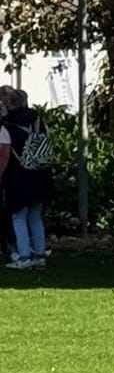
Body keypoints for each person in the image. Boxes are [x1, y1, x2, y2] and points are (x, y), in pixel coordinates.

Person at [1, 86, 50, 268]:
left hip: (19, 175)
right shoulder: (37, 119)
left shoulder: (8, 125)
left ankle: (24, 257)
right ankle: (39, 255)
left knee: (18, 217)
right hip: (40, 172)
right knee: (35, 217)